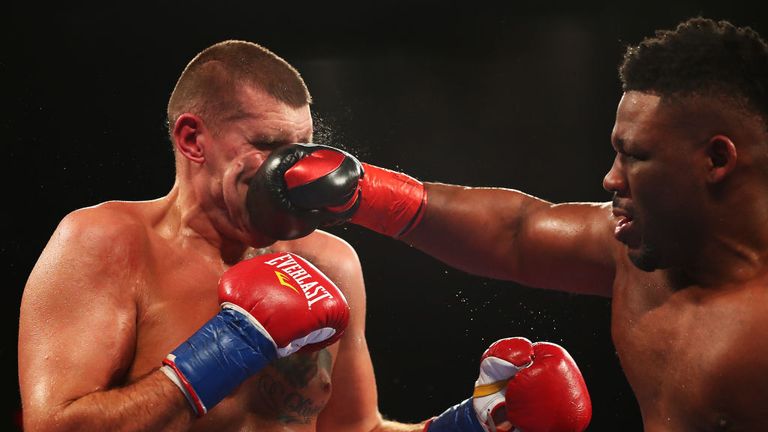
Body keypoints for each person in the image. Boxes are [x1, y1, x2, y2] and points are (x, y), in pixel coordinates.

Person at [17, 40, 591, 431]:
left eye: (298, 147)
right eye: (266, 146)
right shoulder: (107, 243)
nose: (289, 169)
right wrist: (224, 351)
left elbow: (356, 429)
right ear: (193, 139)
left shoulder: (330, 263)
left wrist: (473, 422)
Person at [249, 17, 768, 431]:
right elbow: (518, 233)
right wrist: (361, 191)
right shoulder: (635, 249)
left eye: (637, 157)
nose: (611, 180)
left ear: (716, 160)